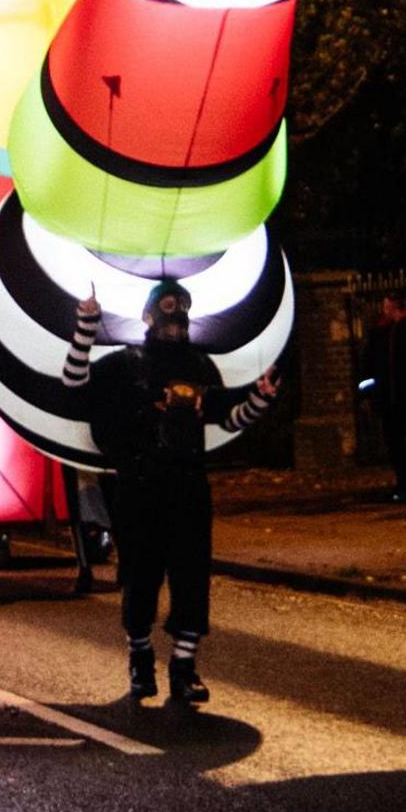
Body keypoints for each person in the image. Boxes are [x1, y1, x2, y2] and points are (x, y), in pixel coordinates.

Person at [63, 284, 278, 705]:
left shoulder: (199, 366)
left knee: (192, 577)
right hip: (139, 486)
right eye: (166, 315)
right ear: (147, 318)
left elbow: (228, 421)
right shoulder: (123, 365)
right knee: (140, 577)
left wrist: (259, 400)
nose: (174, 323)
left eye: (181, 316)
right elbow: (74, 385)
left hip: (188, 485)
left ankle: (184, 668)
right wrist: (86, 325)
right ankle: (140, 660)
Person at [362, 293, 406, 502]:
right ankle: (405, 484)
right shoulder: (380, 332)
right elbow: (369, 364)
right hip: (391, 398)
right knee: (397, 443)